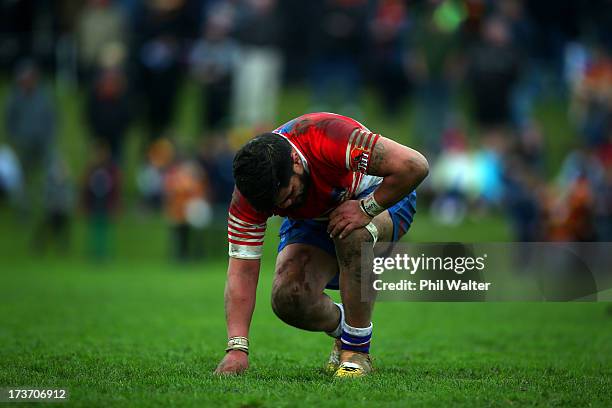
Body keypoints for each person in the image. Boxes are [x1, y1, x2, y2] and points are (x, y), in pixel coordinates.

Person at [214, 112, 429, 377]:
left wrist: (366, 208)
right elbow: (241, 270)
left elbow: (414, 165)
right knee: (288, 298)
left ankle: (357, 351)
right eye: (275, 207)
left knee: (352, 232)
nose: (284, 207)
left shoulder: (327, 136)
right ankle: (348, 327)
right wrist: (237, 348)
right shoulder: (249, 194)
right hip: (316, 214)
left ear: (295, 161)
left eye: (289, 195)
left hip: (382, 196)